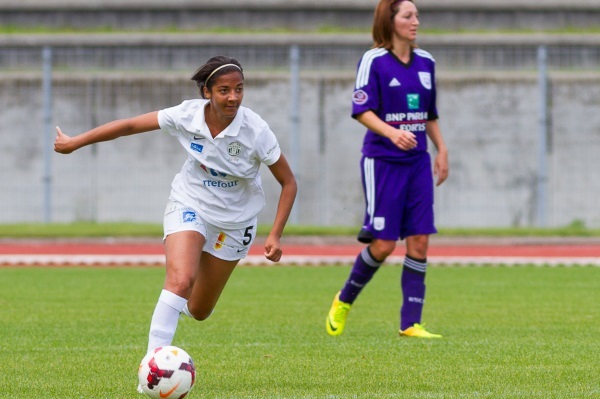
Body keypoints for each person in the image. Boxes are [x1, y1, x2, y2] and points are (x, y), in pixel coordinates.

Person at [54, 56, 298, 385]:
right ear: (206, 92)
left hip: (235, 223)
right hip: (189, 203)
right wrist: (75, 142)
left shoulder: (255, 130)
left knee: (198, 310)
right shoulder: (186, 115)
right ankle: (151, 373)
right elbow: (128, 126)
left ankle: (177, 308)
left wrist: (276, 235)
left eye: (239, 90)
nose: (233, 98)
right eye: (224, 90)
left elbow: (289, 183)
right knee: (180, 281)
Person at [325, 0, 449, 338]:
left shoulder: (427, 62)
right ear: (389, 21)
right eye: (408, 16)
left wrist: (442, 150)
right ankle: (344, 299)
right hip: (383, 163)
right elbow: (361, 110)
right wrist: (393, 133)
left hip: (418, 162)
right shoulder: (373, 61)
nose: (415, 21)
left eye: (417, 15)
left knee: (420, 240)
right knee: (383, 245)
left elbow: (430, 114)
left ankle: (411, 323)